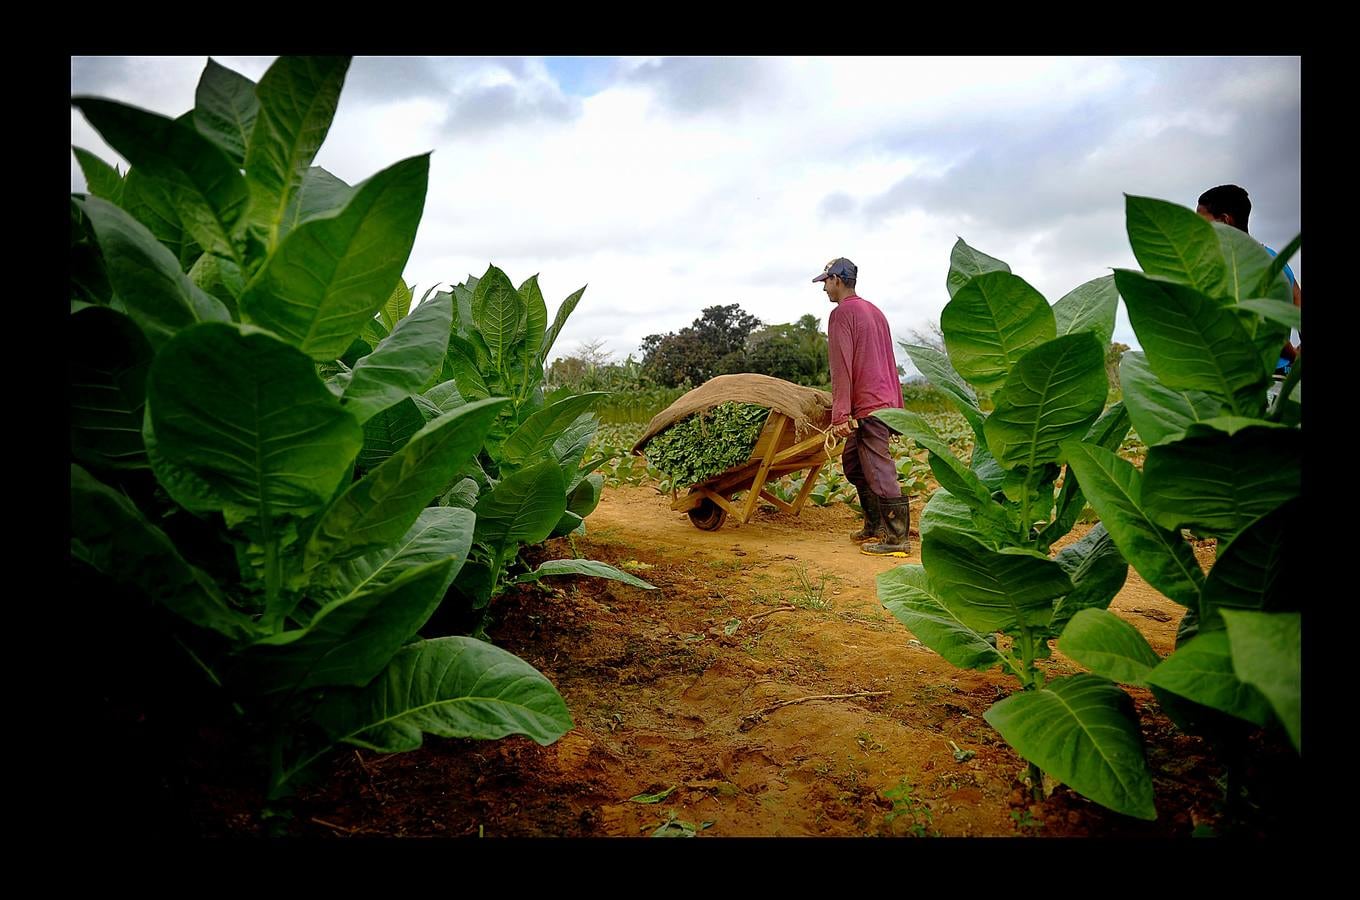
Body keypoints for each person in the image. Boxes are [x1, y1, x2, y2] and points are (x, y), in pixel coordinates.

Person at [813, 257, 910, 556]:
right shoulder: (876, 312)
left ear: (838, 280)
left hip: (868, 406)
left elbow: (841, 367)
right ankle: (875, 525)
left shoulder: (842, 314)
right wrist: (898, 407)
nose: (824, 288)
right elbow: (888, 362)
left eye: (826, 281)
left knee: (880, 469)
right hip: (883, 401)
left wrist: (840, 414)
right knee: (854, 465)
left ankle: (896, 538)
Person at [1196, 184, 1302, 374]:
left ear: (1224, 221)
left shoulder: (1235, 267)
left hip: (1253, 379)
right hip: (1281, 378)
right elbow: (1298, 302)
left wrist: (1294, 355)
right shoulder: (1273, 257)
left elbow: (1265, 323)